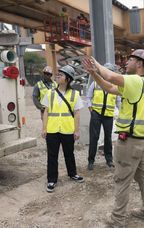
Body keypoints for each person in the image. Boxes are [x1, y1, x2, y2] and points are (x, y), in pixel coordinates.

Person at [82, 49, 144, 227]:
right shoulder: (141, 83)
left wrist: (96, 64)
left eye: (130, 60)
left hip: (130, 141)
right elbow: (109, 87)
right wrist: (94, 74)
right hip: (140, 138)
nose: (126, 62)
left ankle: (117, 219)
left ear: (139, 64)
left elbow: (112, 78)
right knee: (143, 176)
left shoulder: (135, 80)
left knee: (122, 179)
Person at [41, 65, 84, 193]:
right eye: (58, 74)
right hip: (52, 129)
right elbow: (46, 111)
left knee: (69, 153)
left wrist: (76, 130)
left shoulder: (75, 94)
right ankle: (52, 180)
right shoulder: (50, 93)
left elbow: (77, 113)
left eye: (62, 74)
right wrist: (44, 128)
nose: (58, 75)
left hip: (67, 129)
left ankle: (72, 174)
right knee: (52, 155)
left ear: (68, 79)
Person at [85, 63, 121, 170]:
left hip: (108, 116)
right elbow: (88, 97)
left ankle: (109, 159)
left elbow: (118, 102)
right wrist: (91, 109)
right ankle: (91, 161)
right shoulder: (95, 84)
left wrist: (120, 113)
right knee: (94, 138)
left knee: (108, 138)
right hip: (96, 114)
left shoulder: (115, 87)